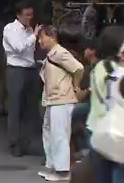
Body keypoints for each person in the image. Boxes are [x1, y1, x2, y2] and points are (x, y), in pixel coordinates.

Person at [36, 26, 84, 182]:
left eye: (42, 37)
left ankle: (62, 171)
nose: (40, 40)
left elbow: (78, 68)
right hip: (53, 99)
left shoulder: (60, 53)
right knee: (49, 133)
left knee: (59, 135)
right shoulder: (52, 54)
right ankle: (53, 165)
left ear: (51, 36)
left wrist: (76, 86)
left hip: (62, 99)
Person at [86, 27, 124, 183]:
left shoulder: (100, 67)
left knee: (102, 177)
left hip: (97, 130)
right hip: (117, 133)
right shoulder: (116, 71)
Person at [2, 0, 41, 157]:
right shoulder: (10, 29)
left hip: (30, 69)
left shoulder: (30, 29)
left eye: (32, 14)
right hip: (16, 70)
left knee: (30, 107)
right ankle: (14, 143)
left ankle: (26, 142)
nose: (30, 18)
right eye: (27, 15)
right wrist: (34, 36)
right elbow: (18, 47)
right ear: (18, 15)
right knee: (15, 107)